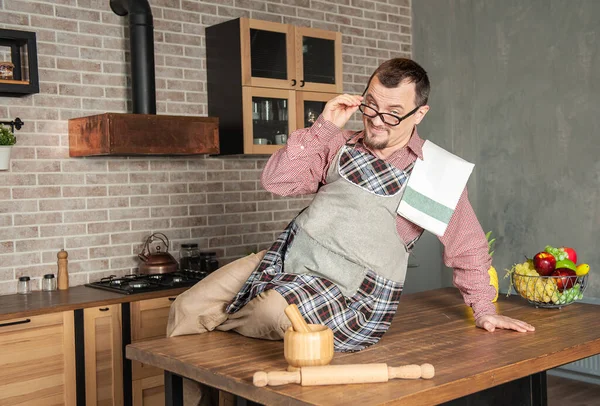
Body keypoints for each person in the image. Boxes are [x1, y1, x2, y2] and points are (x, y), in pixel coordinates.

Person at [168, 58, 534, 356]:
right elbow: (277, 181)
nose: (376, 119)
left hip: (350, 291)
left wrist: (484, 310)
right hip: (289, 258)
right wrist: (324, 125)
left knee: (270, 311)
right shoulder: (337, 143)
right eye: (371, 105)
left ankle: (227, 327)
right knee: (186, 308)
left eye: (392, 112)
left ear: (419, 114)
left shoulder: (433, 173)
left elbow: (466, 245)